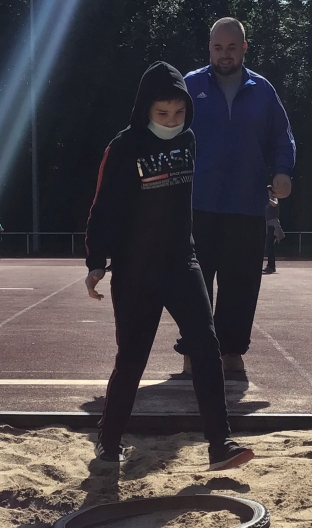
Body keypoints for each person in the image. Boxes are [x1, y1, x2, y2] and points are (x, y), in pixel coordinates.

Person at [85, 61, 254, 471]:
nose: (171, 120)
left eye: (179, 113)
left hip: (182, 263)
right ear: (145, 108)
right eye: (162, 113)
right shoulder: (123, 147)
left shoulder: (189, 140)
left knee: (207, 347)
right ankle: (109, 442)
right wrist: (96, 262)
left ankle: (220, 444)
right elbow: (104, 206)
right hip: (136, 271)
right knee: (132, 358)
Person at [180, 17, 296, 373]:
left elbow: (281, 137)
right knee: (194, 284)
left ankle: (232, 352)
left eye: (232, 47)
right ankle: (195, 351)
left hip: (246, 205)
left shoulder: (262, 90)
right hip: (197, 205)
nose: (225, 54)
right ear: (209, 48)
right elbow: (168, 133)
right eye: (218, 47)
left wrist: (282, 171)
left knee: (241, 283)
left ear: (244, 47)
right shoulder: (190, 85)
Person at [263, 189, 284, 274]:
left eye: (268, 191)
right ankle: (271, 265)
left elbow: (274, 204)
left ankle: (271, 266)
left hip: (273, 225)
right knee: (269, 246)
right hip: (268, 225)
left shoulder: (274, 199)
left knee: (269, 245)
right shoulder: (267, 202)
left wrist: (268, 199)